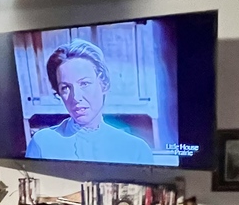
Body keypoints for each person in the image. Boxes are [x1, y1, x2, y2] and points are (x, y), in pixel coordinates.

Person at [25, 39, 155, 163]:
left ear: (103, 84)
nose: (75, 97)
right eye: (65, 88)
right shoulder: (42, 143)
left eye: (84, 83)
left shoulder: (136, 150)